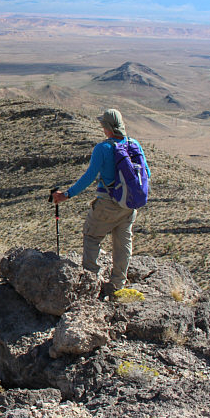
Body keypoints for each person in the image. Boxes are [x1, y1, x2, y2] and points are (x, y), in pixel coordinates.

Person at [51, 109, 149, 297]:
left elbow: (89, 176)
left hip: (107, 204)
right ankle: (117, 285)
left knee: (92, 237)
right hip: (129, 206)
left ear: (107, 127)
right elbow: (147, 175)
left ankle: (90, 284)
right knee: (123, 242)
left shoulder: (103, 149)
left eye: (103, 124)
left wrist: (67, 195)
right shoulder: (134, 144)